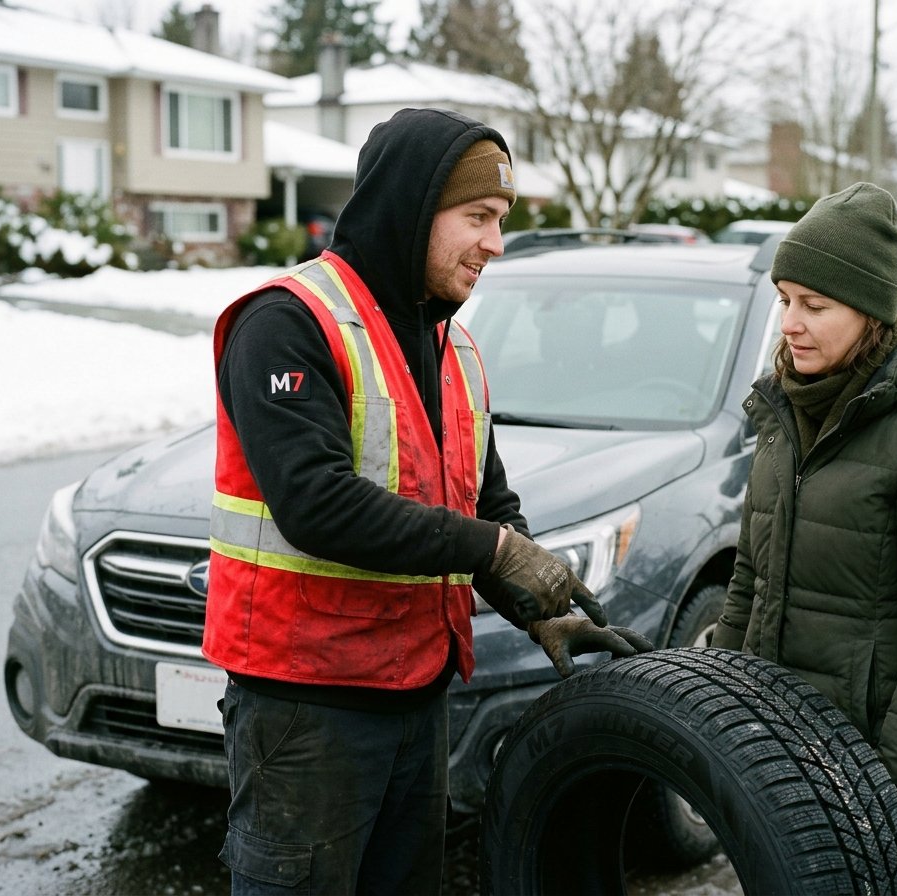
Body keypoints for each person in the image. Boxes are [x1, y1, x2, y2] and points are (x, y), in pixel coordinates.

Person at [202, 107, 653, 895]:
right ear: (412, 206)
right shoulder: (288, 324)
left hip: (416, 692)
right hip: (308, 709)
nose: (495, 243)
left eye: (502, 220)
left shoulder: (453, 345)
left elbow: (486, 499)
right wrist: (496, 553)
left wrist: (532, 605)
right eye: (478, 216)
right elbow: (317, 505)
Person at [711, 182, 897, 896]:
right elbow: (751, 579)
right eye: (784, 300)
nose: (791, 324)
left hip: (893, 790)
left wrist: (886, 796)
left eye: (816, 305)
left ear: (870, 311)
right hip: (792, 777)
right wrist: (713, 707)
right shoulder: (783, 411)